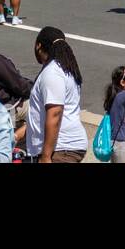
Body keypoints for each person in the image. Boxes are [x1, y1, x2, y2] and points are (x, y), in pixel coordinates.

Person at [28, 27, 88, 163]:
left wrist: (46, 156)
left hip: (61, 150)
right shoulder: (64, 69)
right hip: (64, 148)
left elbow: (55, 114)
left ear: (38, 46)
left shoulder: (53, 72)